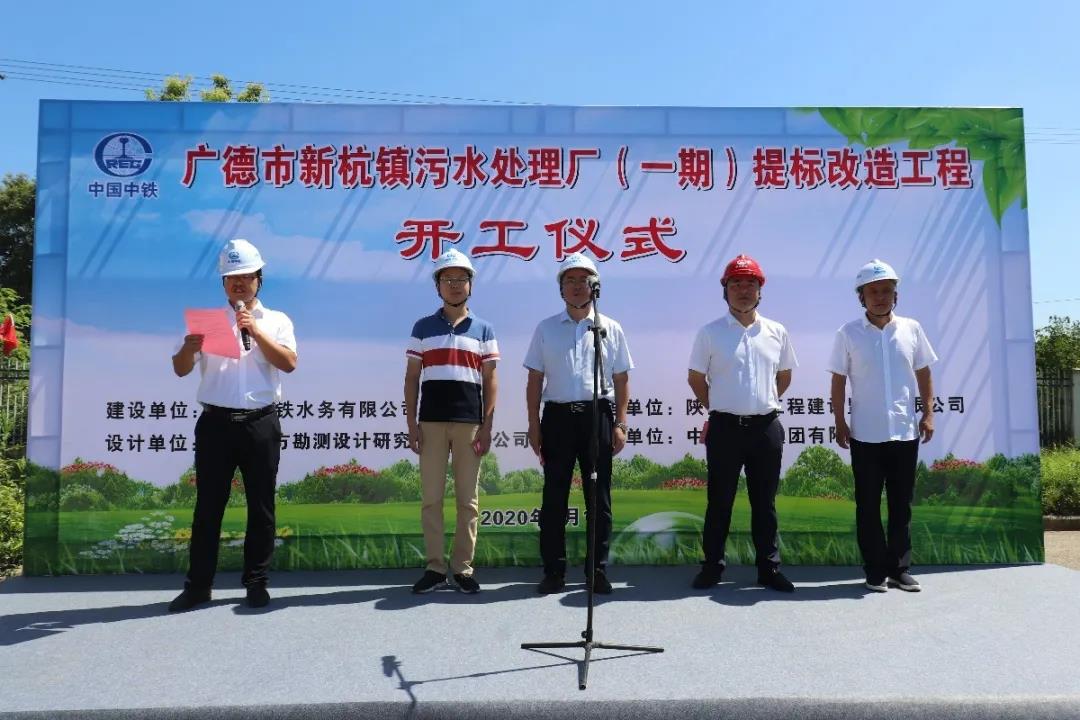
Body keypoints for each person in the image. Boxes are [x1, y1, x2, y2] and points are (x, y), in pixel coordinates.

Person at [168, 239, 297, 611]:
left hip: (261, 423)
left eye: (246, 276)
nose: (238, 283)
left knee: (261, 507)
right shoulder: (206, 323)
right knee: (208, 508)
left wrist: (255, 332)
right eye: (231, 277)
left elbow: (288, 363)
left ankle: (256, 583)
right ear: (223, 283)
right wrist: (189, 348)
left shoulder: (277, 320)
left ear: (259, 278)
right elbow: (180, 369)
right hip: (216, 425)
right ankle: (198, 586)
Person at [687, 254, 798, 592]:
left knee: (765, 504)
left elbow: (784, 375)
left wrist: (762, 400)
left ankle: (769, 569)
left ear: (760, 290)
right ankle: (712, 567)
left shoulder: (776, 331)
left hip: (766, 428)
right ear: (726, 290)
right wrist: (720, 407)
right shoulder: (710, 332)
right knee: (719, 502)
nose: (744, 290)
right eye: (736, 283)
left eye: (751, 283)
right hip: (725, 429)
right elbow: (695, 378)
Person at [524, 253, 632, 595]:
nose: (575, 286)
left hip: (597, 416)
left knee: (598, 498)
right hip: (557, 418)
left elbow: (621, 379)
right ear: (560, 288)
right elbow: (534, 380)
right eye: (569, 280)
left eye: (583, 280)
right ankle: (554, 571)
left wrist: (621, 423)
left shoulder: (609, 328)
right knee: (554, 497)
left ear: (594, 286)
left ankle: (596, 570)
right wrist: (533, 424)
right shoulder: (545, 328)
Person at [828, 259, 937, 593]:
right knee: (868, 506)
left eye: (886, 291)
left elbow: (924, 373)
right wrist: (839, 421)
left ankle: (899, 569)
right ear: (861, 296)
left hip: (905, 432)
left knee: (901, 505)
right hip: (865, 435)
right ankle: (875, 570)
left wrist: (928, 413)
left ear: (895, 295)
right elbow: (838, 381)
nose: (880, 297)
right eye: (873, 291)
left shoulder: (911, 329)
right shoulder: (848, 333)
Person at [405, 249, 499, 594]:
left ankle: (462, 569)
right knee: (431, 499)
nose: (455, 285)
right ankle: (434, 568)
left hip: (469, 424)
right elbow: (412, 377)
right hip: (430, 422)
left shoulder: (484, 329)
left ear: (471, 285)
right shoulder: (422, 327)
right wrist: (411, 424)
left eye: (461, 279)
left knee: (467, 501)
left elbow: (490, 379)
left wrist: (487, 425)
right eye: (448, 279)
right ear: (438, 286)